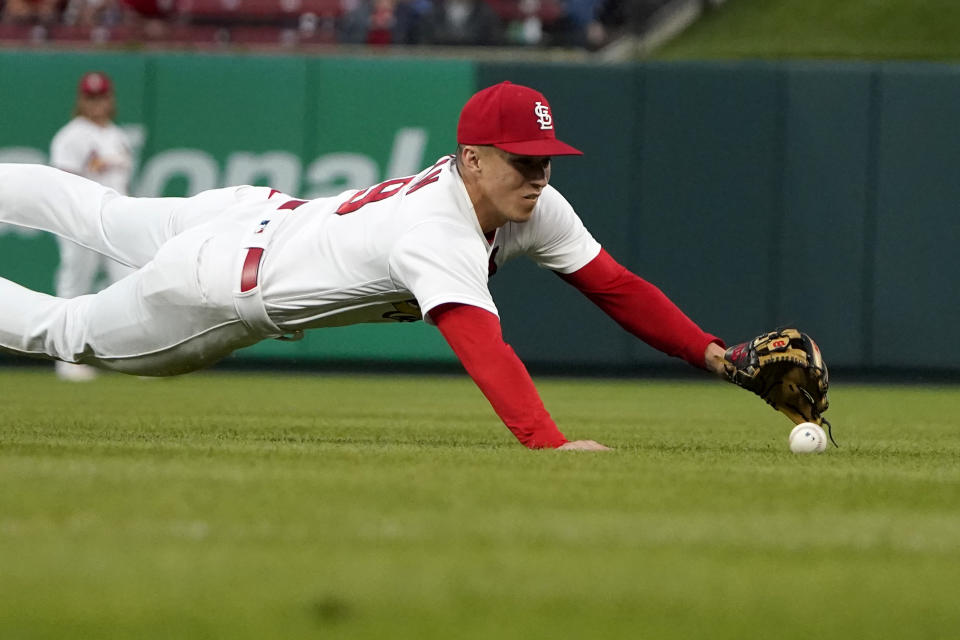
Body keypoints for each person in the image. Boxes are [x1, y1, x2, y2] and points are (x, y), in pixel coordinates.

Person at [0, 81, 731, 450]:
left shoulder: (531, 204)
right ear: (472, 160)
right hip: (216, 289)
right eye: (522, 161)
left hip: (248, 213)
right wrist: (551, 443)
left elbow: (615, 286)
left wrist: (716, 356)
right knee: (67, 329)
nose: (539, 176)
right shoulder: (437, 229)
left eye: (545, 161)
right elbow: (483, 347)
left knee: (97, 213)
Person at [47, 70, 136, 381]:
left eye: (102, 96)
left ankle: (137, 357)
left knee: (131, 285)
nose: (97, 103)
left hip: (116, 220)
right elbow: (63, 185)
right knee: (75, 286)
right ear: (81, 100)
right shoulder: (70, 136)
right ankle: (67, 359)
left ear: (110, 99)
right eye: (91, 97)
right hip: (80, 221)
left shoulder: (117, 135)